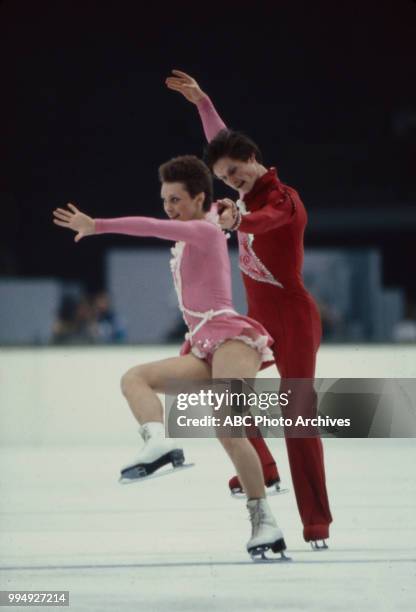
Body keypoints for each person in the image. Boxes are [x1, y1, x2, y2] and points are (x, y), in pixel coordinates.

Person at [53, 154, 287, 559]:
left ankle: (264, 520)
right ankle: (160, 444)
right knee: (134, 378)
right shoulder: (190, 233)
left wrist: (98, 226)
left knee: (227, 426)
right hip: (202, 346)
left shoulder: (206, 229)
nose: (168, 208)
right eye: (164, 200)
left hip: (231, 339)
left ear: (199, 199)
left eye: (176, 200)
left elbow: (150, 227)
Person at [166, 71, 333, 545]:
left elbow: (266, 217)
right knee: (206, 377)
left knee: (298, 415)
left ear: (253, 159)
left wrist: (240, 218)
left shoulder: (284, 199)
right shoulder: (239, 189)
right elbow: (220, 139)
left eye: (235, 171)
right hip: (257, 318)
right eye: (222, 177)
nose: (231, 178)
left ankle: (316, 521)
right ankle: (260, 466)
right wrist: (201, 101)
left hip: (295, 317)